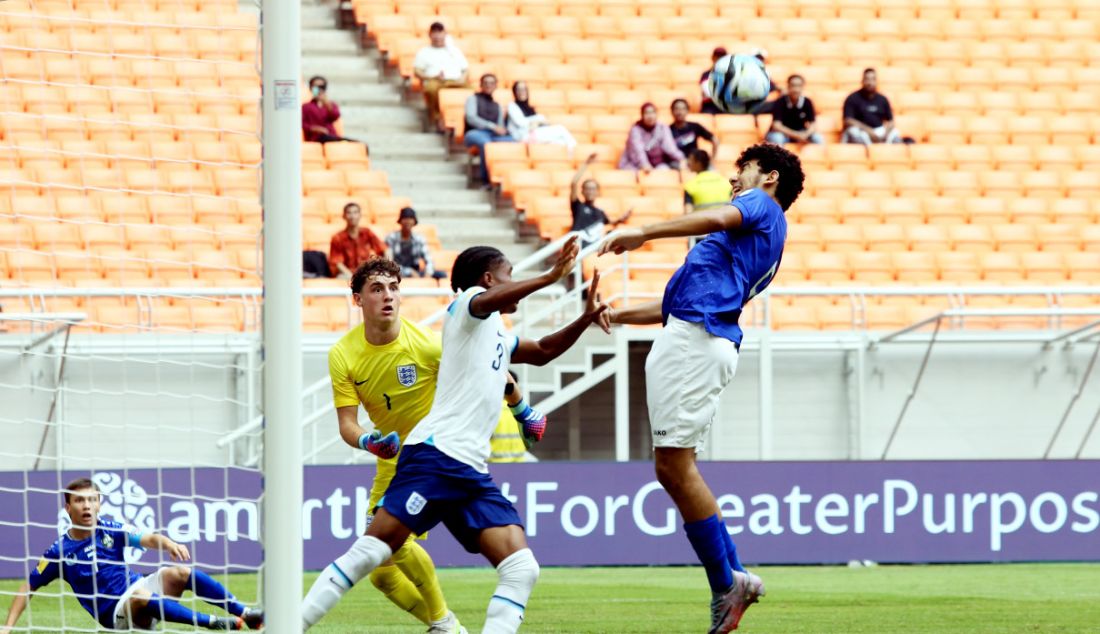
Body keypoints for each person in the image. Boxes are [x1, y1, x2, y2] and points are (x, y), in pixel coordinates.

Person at [301, 237, 610, 632]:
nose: (512, 281)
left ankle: (444, 624)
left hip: (467, 467)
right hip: (435, 454)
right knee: (373, 555)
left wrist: (584, 319)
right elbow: (483, 302)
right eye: (508, 275)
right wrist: (550, 276)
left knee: (522, 567)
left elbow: (544, 349)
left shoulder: (496, 329)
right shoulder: (466, 307)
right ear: (486, 280)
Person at [599, 143, 805, 634]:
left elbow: (714, 219)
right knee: (675, 466)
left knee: (673, 466)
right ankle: (733, 579)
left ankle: (725, 583)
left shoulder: (761, 204)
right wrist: (615, 314)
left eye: (744, 170)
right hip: (694, 334)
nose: (736, 180)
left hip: (697, 340)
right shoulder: (750, 238)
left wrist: (642, 233)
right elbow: (672, 306)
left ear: (769, 177)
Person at [2, 478, 263, 632]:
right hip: (114, 612)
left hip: (137, 587)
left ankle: (246, 613)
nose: (88, 506)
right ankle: (214, 623)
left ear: (99, 503)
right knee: (140, 595)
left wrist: (168, 543)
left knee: (179, 573)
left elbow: (146, 538)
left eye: (93, 500)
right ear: (68, 507)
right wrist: (8, 626)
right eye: (81, 501)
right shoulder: (59, 551)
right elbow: (29, 586)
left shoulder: (111, 528)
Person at [414, 22, 469, 134]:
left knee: (473, 90)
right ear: (430, 35)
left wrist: (463, 78)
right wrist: (430, 77)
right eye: (434, 33)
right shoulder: (424, 52)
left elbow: (466, 69)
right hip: (436, 80)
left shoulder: (454, 51)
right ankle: (438, 118)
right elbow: (417, 71)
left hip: (455, 81)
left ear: (445, 34)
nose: (438, 36)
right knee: (431, 89)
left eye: (440, 33)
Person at [571, 153, 632, 249]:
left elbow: (610, 223)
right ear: (582, 191)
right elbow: (574, 183)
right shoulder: (578, 206)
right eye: (587, 189)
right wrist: (586, 164)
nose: (590, 192)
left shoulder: (600, 212)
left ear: (598, 192)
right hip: (579, 249)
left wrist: (621, 219)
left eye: (593, 189)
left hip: (593, 250)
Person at [464, 74, 513, 187]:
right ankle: (487, 180)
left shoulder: (497, 105)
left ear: (495, 86)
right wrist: (491, 126)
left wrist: (501, 130)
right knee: (486, 144)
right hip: (474, 133)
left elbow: (499, 125)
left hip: (493, 134)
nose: (488, 85)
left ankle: (504, 177)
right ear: (481, 85)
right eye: (485, 82)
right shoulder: (472, 99)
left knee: (513, 141)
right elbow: (471, 118)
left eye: (491, 83)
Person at [506, 81, 576, 149]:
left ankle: (574, 157)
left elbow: (542, 121)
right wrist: (537, 121)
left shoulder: (529, 108)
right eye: (519, 89)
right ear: (515, 92)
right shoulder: (512, 106)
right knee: (560, 129)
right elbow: (521, 123)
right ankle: (577, 150)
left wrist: (538, 121)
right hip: (523, 136)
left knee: (561, 142)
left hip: (534, 134)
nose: (522, 92)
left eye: (524, 89)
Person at [841, 68, 902, 145]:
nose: (870, 83)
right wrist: (868, 131)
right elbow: (848, 120)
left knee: (895, 133)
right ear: (862, 81)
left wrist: (885, 134)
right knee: (853, 132)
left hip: (879, 131)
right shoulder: (853, 98)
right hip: (862, 131)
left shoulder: (883, 99)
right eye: (867, 79)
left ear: (876, 81)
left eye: (873, 79)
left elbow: (891, 121)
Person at [618, 103, 685, 172]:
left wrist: (681, 159)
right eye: (647, 113)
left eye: (653, 112)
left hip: (657, 164)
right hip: (635, 165)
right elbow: (638, 150)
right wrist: (644, 165)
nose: (650, 116)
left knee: (665, 171)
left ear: (656, 115)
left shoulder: (662, 128)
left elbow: (670, 147)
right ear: (642, 115)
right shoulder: (635, 130)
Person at [330, 202, 386, 279]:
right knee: (341, 278)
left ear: (360, 215)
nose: (352, 216)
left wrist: (386, 269)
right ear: (344, 216)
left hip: (366, 272)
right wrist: (351, 276)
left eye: (355, 212)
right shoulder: (337, 237)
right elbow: (337, 263)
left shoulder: (367, 232)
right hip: (346, 273)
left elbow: (384, 249)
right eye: (349, 213)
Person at [385, 207, 444, 280]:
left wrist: (428, 273)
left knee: (442, 274)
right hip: (397, 273)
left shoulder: (419, 239)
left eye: (410, 218)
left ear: (414, 221)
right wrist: (408, 272)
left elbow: (429, 260)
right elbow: (389, 264)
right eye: (405, 218)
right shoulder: (391, 238)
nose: (408, 221)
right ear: (400, 221)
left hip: (417, 272)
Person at [765, 75, 823, 145]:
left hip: (800, 132)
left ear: (802, 87)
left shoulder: (807, 102)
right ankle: (779, 156)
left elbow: (813, 124)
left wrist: (805, 134)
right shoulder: (780, 101)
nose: (796, 89)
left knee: (817, 138)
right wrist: (796, 135)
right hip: (783, 134)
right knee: (777, 138)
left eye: (799, 86)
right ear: (788, 86)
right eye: (793, 85)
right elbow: (777, 126)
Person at [302, 75, 360, 145]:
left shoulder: (330, 104)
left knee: (357, 144)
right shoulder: (305, 106)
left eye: (322, 87)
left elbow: (335, 116)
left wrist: (326, 103)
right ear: (311, 88)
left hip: (331, 136)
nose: (319, 89)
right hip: (316, 137)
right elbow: (302, 123)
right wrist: (314, 128)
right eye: (315, 87)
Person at [682, 149, 733, 214]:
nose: (688, 163)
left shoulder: (690, 186)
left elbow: (688, 213)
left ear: (698, 163)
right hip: (725, 222)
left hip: (702, 223)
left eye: (690, 160)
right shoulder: (726, 182)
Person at [699, 47, 728, 115]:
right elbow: (709, 93)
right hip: (710, 106)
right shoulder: (706, 75)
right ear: (713, 58)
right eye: (717, 57)